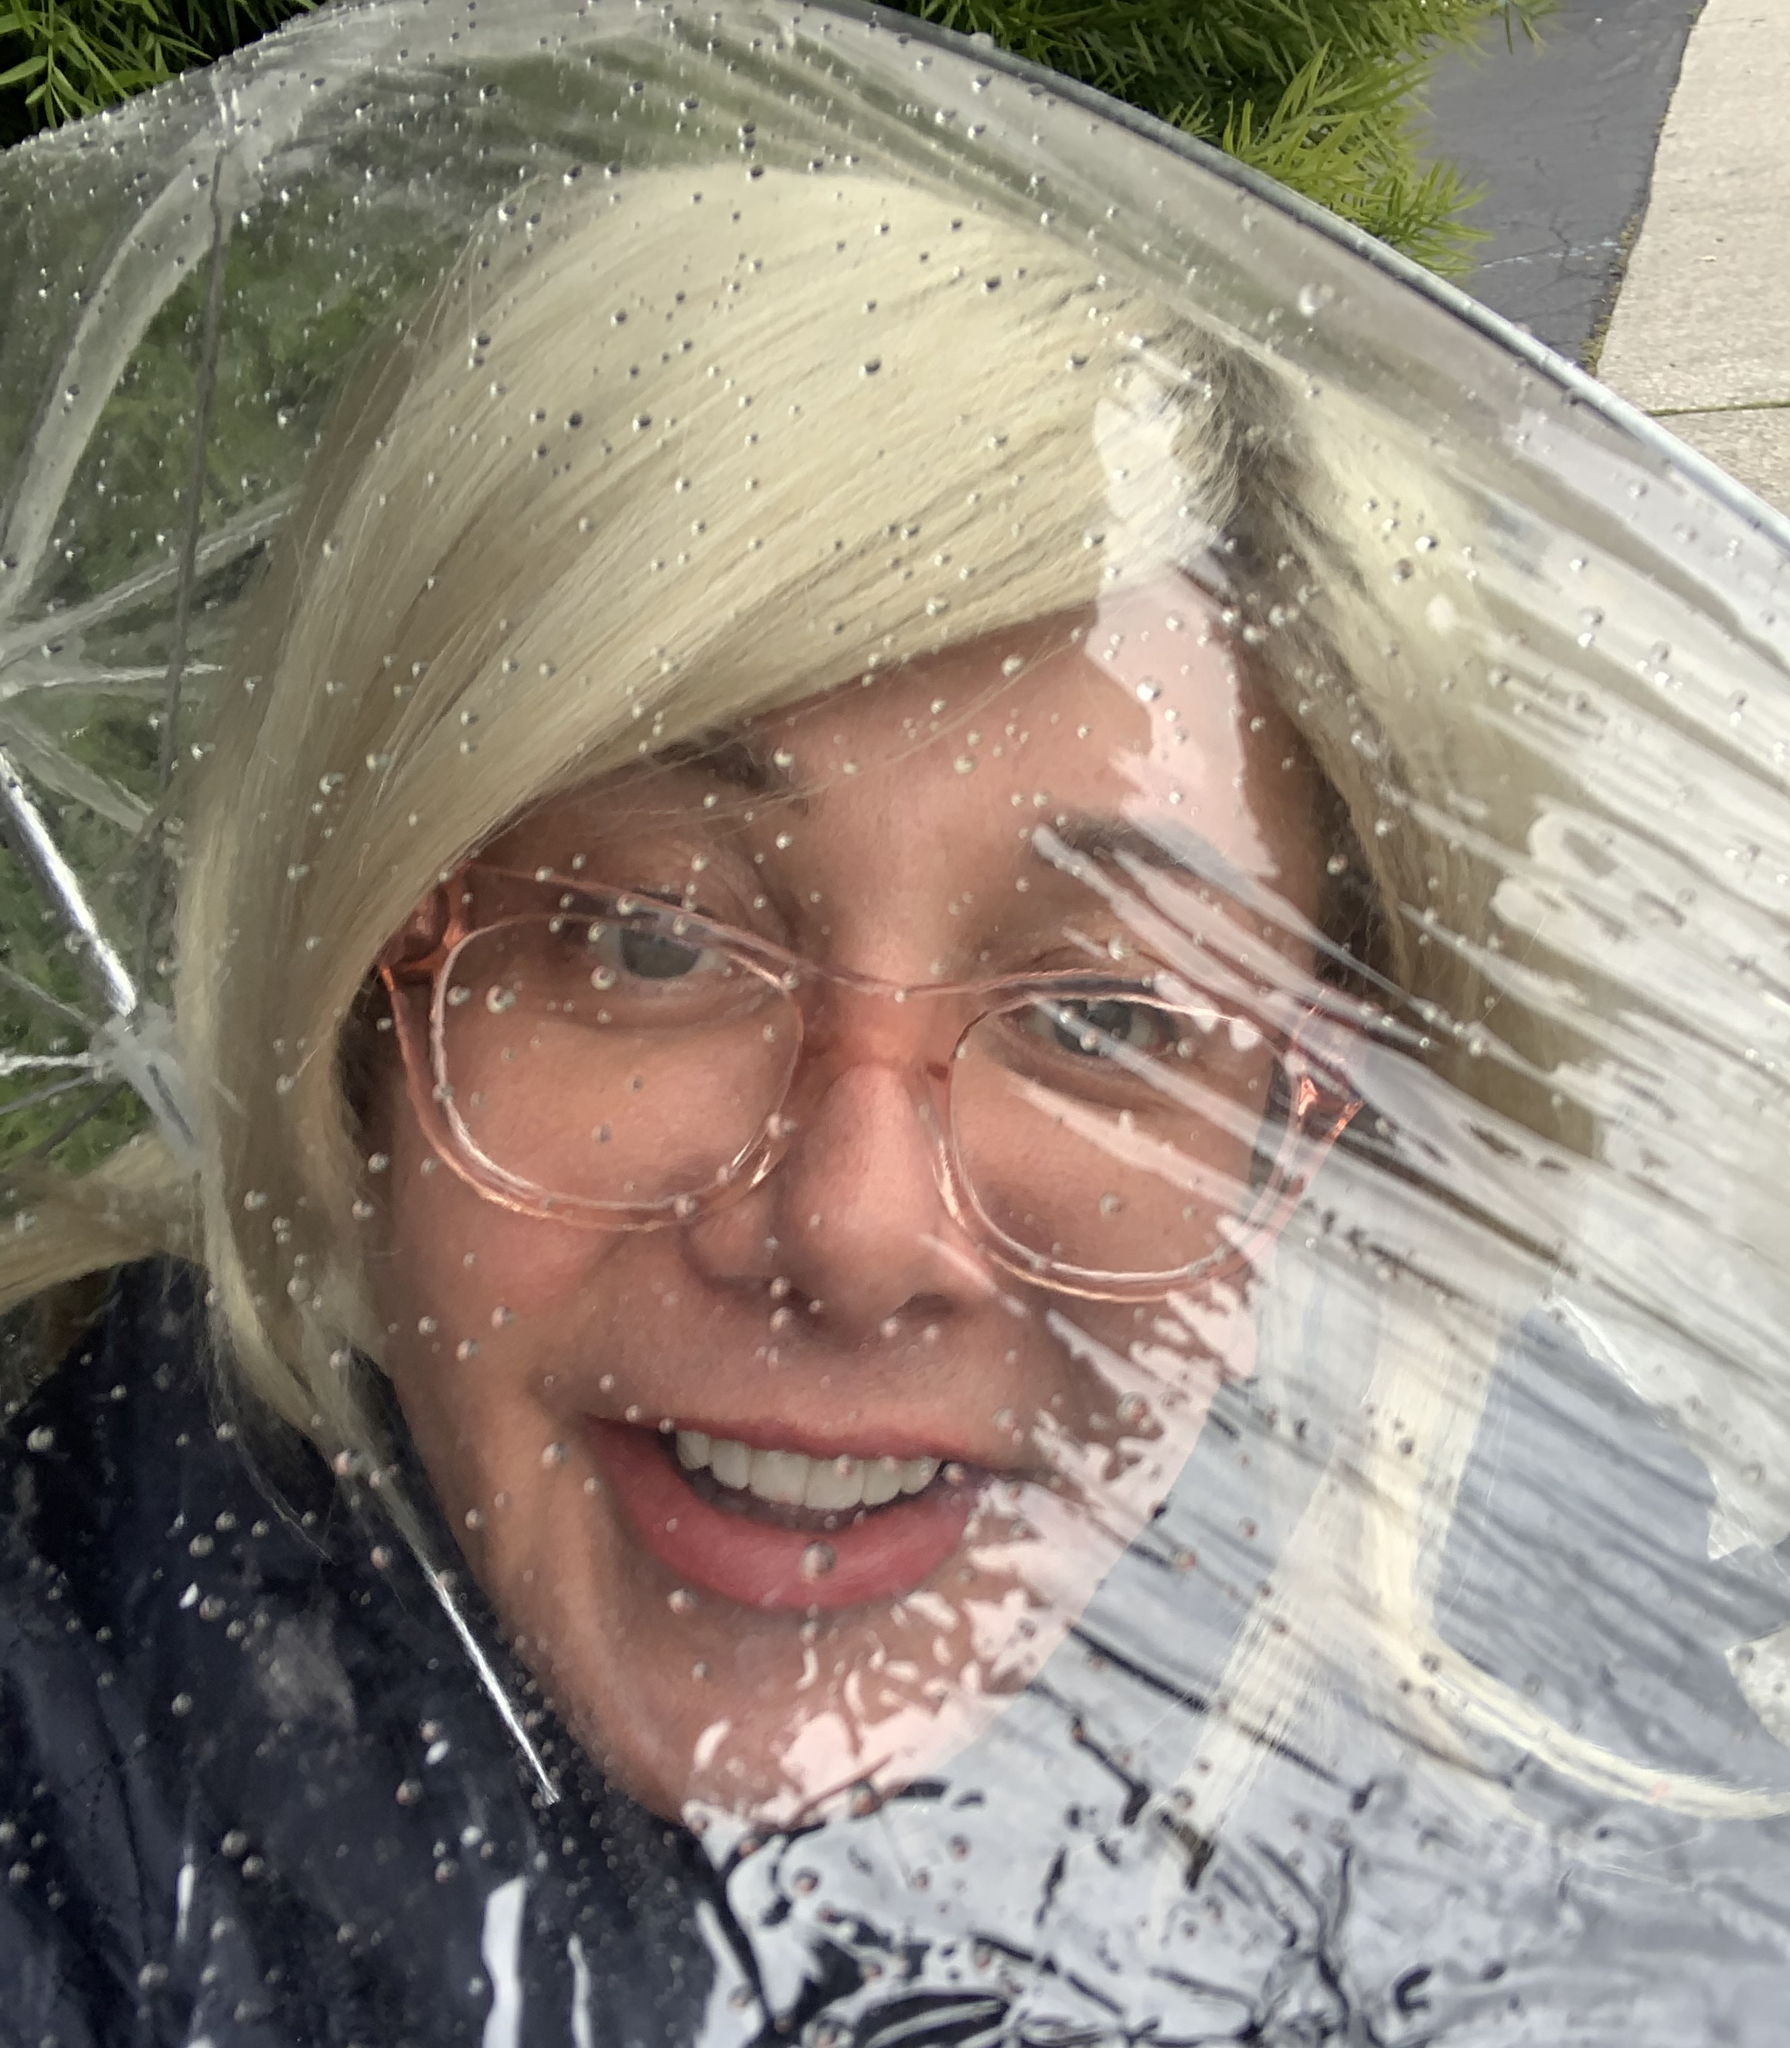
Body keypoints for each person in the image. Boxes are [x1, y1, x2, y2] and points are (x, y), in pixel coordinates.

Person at [4, 157, 1789, 2045]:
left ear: (1310, 1136)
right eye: (644, 940)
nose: (853, 1231)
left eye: (1109, 1013)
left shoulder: (1574, 1711)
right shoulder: (69, 1774)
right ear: (359, 999)